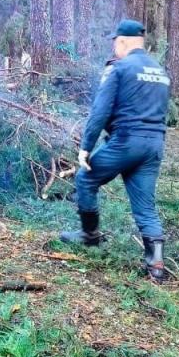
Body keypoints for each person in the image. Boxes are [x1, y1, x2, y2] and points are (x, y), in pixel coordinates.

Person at [59, 19, 171, 282]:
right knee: (145, 206)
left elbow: (100, 111)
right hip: (154, 144)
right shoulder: (161, 72)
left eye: (115, 42)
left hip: (126, 141)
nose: (114, 48)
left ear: (122, 41)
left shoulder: (119, 69)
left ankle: (90, 235)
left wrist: (85, 148)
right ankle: (156, 265)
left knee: (86, 178)